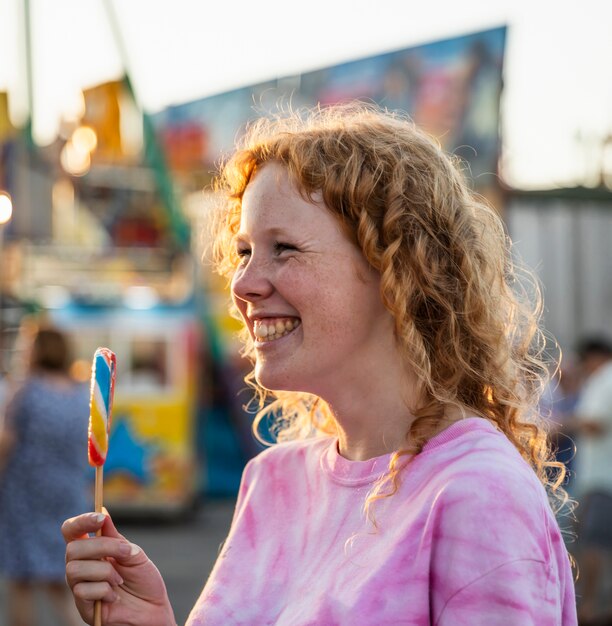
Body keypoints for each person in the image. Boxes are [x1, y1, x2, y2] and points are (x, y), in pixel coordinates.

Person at [62, 104, 577, 625]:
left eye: (283, 248)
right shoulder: (272, 479)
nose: (242, 284)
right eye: (243, 252)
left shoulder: (477, 494)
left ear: (397, 269)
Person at [0, 325, 89, 626]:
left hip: (26, 494)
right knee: (60, 580)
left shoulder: (27, 391)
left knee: (22, 579)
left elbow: (6, 444)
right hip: (69, 492)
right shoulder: (81, 394)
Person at [567, 337, 612, 624]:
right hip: (597, 477)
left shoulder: (607, 378)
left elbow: (596, 422)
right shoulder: (601, 380)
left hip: (603, 479)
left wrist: (562, 422)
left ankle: (590, 606)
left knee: (595, 541)